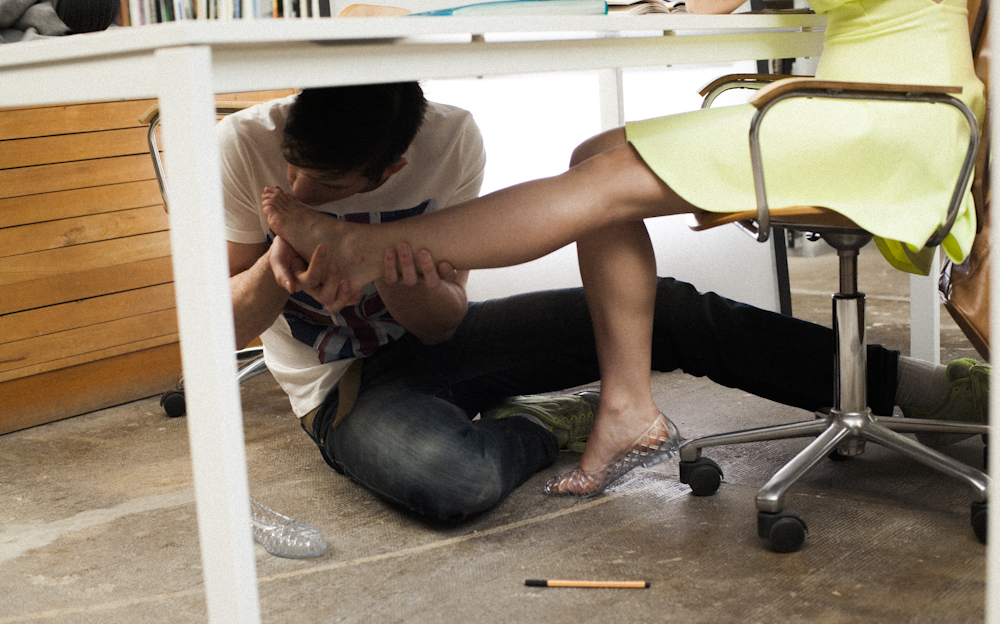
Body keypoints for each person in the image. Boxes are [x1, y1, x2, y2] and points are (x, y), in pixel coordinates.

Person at [262, 0, 989, 500]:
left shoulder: (446, 139)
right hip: (851, 102)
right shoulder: (247, 145)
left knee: (609, 194)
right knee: (597, 155)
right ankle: (624, 404)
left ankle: (368, 248)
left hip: (890, 114)